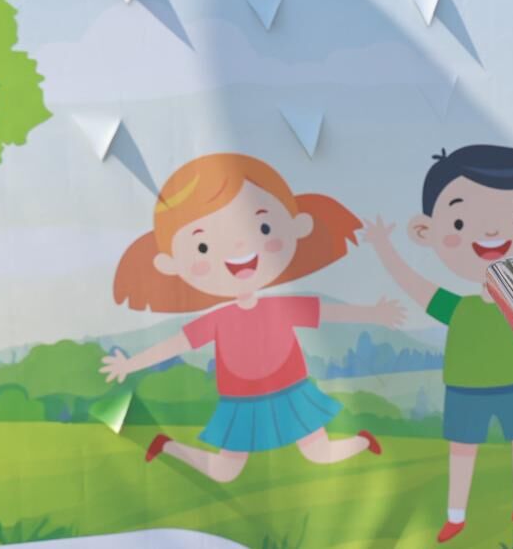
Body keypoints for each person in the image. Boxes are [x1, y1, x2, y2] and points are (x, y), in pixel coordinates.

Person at [104, 152, 402, 483]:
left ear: (298, 226)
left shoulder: (282, 307)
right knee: (225, 472)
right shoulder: (218, 320)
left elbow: (328, 313)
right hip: (240, 401)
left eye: (263, 226)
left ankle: (364, 441)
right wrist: (130, 364)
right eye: (202, 247)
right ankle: (167, 446)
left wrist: (373, 313)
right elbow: (176, 344)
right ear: (170, 264)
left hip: (291, 392)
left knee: (319, 453)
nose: (239, 246)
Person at [362, 145, 513, 543]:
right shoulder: (460, 307)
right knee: (463, 449)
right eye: (460, 221)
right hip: (466, 389)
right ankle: (456, 514)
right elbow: (415, 286)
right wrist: (383, 248)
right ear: (425, 231)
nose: (491, 232)